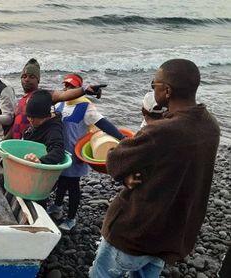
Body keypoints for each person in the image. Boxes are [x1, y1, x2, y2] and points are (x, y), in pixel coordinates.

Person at [89, 59, 220, 277]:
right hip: (171, 235)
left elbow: (115, 160)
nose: (152, 88)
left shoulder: (161, 132)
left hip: (136, 233)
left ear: (167, 91)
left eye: (154, 85)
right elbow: (172, 165)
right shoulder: (211, 126)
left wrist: (149, 127)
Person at [48, 73, 124, 231]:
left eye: (72, 86)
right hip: (61, 153)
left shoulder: (86, 106)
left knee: (73, 185)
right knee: (61, 181)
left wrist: (122, 138)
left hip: (75, 155)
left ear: (79, 89)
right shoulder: (59, 104)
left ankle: (71, 218)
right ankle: (57, 207)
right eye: (66, 85)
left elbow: (103, 124)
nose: (67, 88)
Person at [10, 59, 103, 140]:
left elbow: (63, 95)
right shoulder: (21, 100)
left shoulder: (43, 96)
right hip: (15, 146)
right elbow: (16, 124)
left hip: (30, 147)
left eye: (32, 77)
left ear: (38, 80)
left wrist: (84, 89)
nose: (27, 79)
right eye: (24, 76)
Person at [22, 90, 65, 165]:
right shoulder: (35, 124)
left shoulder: (53, 130)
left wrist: (40, 161)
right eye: (29, 116)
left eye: (35, 117)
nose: (31, 120)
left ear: (45, 116)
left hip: (42, 169)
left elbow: (58, 152)